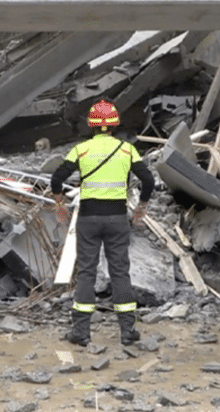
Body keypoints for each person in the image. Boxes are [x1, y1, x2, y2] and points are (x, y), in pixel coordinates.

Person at [50, 99, 155, 347]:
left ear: (91, 125)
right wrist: (141, 208)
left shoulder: (81, 150)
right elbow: (148, 181)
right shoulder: (127, 150)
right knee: (120, 272)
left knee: (86, 271)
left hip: (88, 218)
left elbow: (57, 179)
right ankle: (128, 332)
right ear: (116, 123)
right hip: (117, 219)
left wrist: (59, 206)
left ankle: (81, 333)